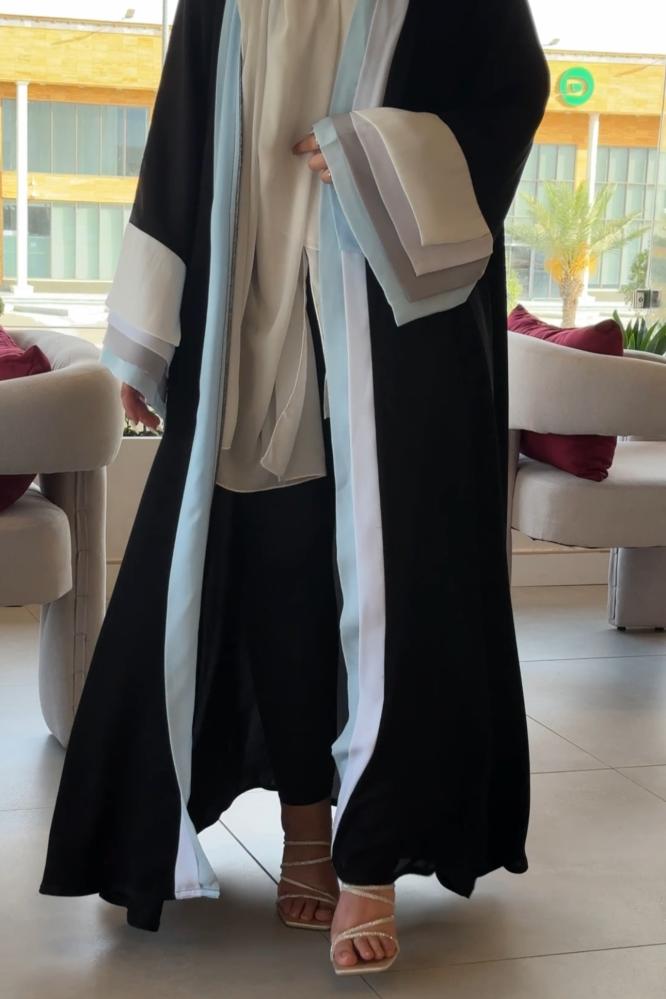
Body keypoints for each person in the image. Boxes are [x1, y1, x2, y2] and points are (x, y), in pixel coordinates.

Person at [40, 0, 550, 977]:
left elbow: (511, 90)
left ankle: (370, 861)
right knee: (276, 565)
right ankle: (307, 827)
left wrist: (384, 151)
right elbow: (180, 132)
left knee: (397, 590)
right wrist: (146, 335)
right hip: (248, 299)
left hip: (395, 309)